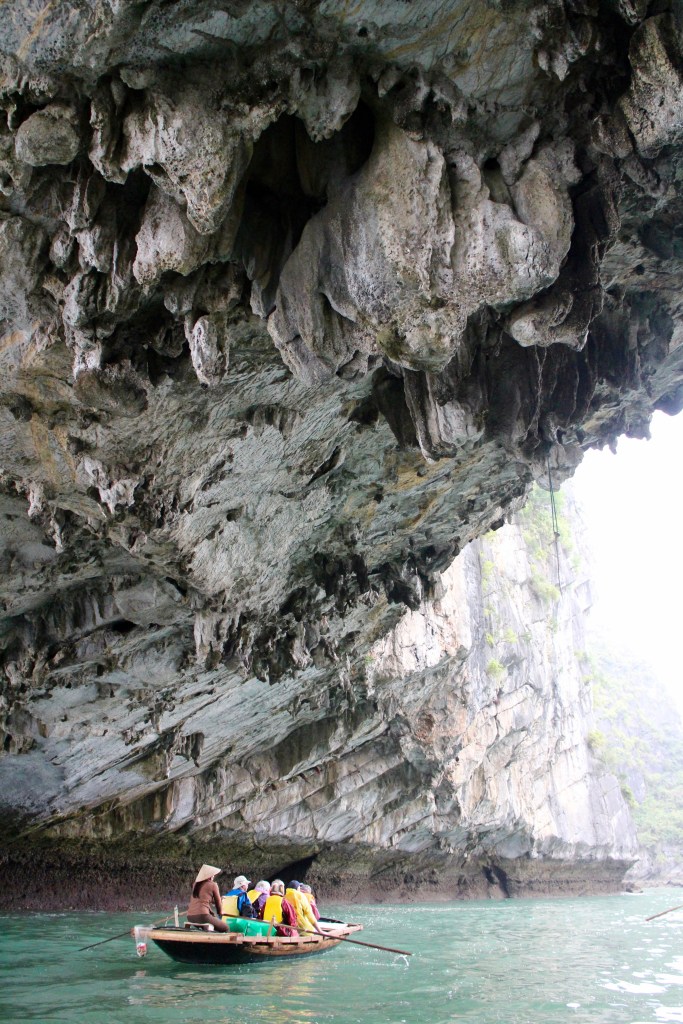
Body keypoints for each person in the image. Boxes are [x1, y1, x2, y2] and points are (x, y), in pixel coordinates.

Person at [186, 864, 229, 932]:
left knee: (209, 926)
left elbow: (204, 898)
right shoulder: (213, 885)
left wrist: (220, 899)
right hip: (202, 916)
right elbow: (218, 904)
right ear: (209, 876)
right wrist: (220, 912)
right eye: (213, 875)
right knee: (225, 927)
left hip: (190, 916)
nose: (213, 876)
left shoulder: (195, 884)